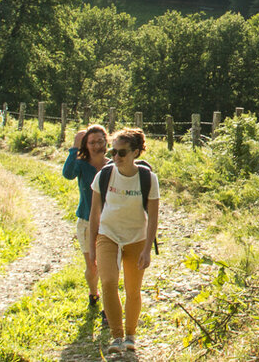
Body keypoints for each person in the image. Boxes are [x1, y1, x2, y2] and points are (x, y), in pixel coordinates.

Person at [87, 128, 159, 355]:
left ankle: (130, 335)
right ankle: (116, 336)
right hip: (108, 235)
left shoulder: (148, 179)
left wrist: (147, 250)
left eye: (121, 153)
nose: (115, 157)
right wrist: (91, 249)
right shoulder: (105, 175)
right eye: (113, 151)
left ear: (135, 152)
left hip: (136, 238)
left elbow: (154, 217)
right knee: (108, 282)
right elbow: (94, 214)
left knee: (133, 289)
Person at [62, 124, 110, 311]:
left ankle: (108, 306)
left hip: (109, 222)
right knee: (93, 266)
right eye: (91, 142)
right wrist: (74, 147)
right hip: (86, 221)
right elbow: (67, 174)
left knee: (108, 267)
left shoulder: (112, 164)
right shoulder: (81, 164)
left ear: (106, 141)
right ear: (86, 145)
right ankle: (93, 293)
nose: (96, 145)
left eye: (100, 141)